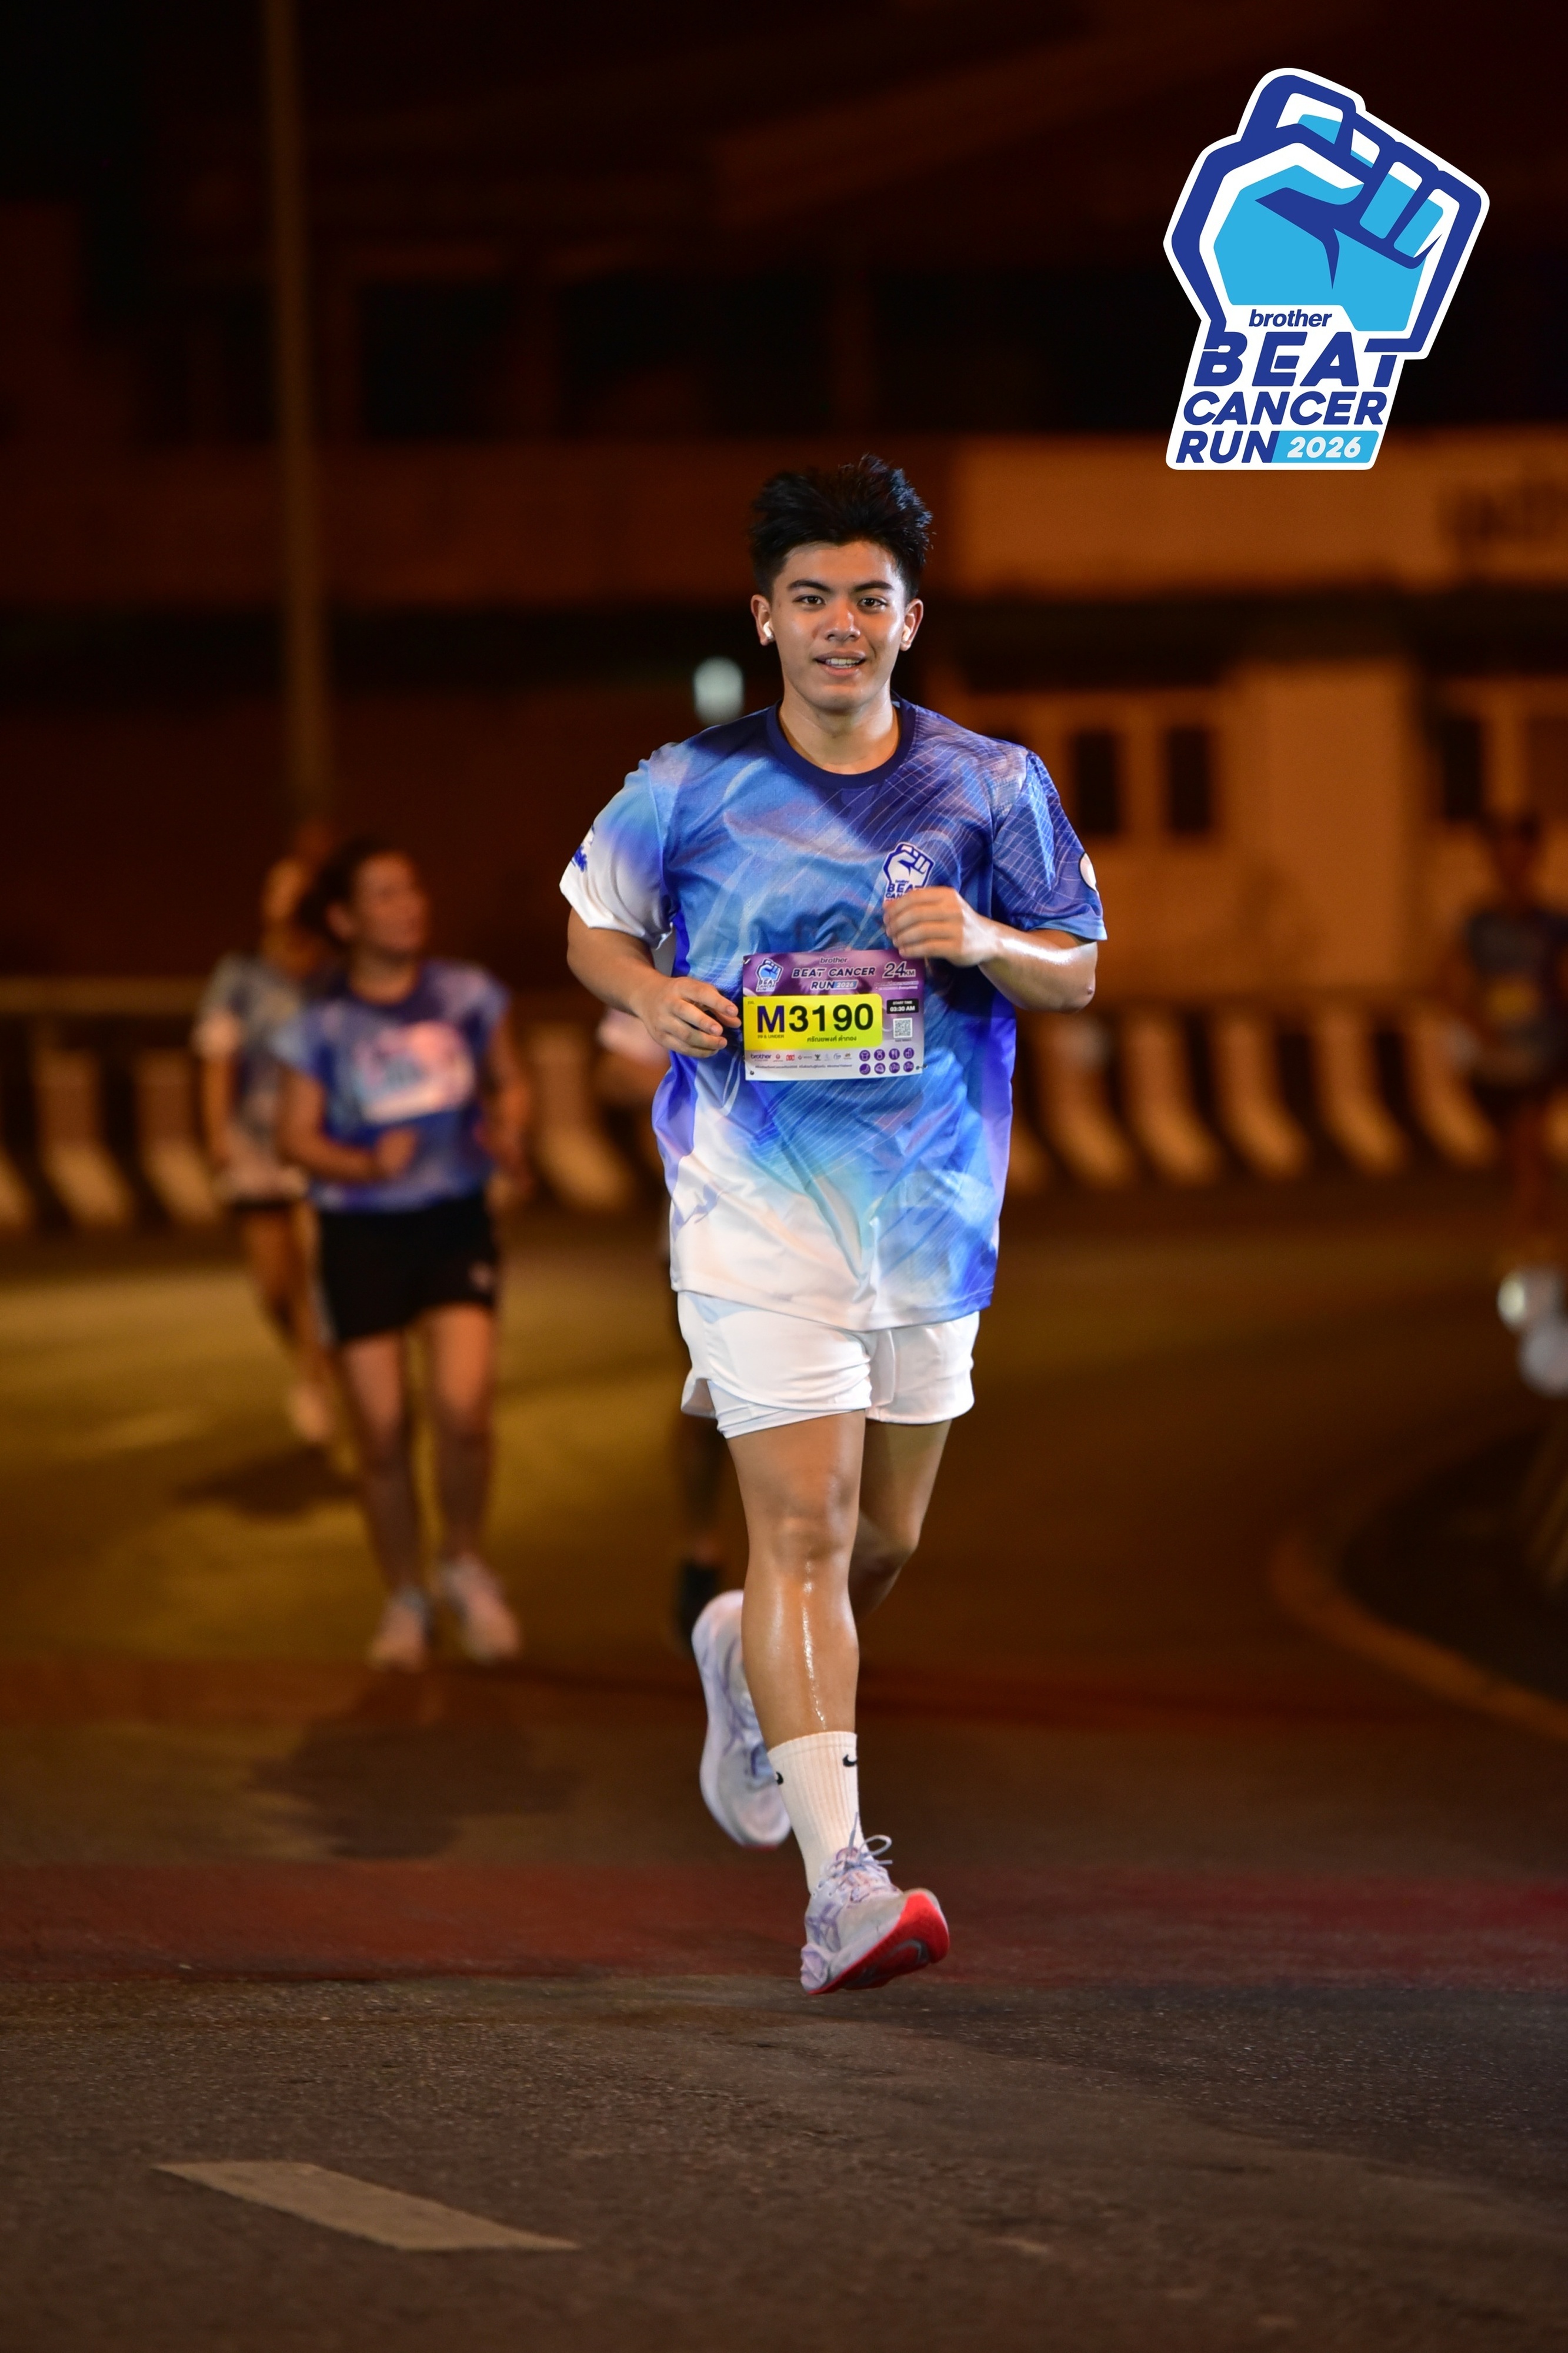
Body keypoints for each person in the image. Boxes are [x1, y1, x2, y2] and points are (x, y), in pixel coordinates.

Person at [562, 457, 1104, 1994]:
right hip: (750, 1201)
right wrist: (648, 990)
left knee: (881, 1539)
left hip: (927, 1214)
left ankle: (741, 1653)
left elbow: (1077, 967)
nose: (840, 623)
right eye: (811, 598)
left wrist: (983, 935)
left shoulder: (991, 786)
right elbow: (589, 924)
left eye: (869, 598)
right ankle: (839, 1890)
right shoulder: (687, 784)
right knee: (802, 1525)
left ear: (909, 618)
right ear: (766, 617)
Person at [275, 836, 528, 1672]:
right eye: (383, 894)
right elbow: (292, 1136)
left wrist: (509, 1130)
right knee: (381, 1434)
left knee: (464, 1410)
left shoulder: (466, 995)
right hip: (360, 1233)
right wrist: (361, 1164)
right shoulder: (320, 1024)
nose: (407, 906)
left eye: (411, 888)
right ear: (344, 919)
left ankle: (463, 1563)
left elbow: (509, 1081)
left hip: (454, 1221)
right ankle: (405, 1598)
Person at [596, 1005, 732, 1649]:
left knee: (840, 1400)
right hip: (707, 1218)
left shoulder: (867, 953)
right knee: (712, 1397)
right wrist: (713, 1108)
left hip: (829, 1214)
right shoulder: (683, 951)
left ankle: (815, 1574)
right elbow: (617, 1069)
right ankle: (700, 1549)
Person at [194, 854, 335, 1446]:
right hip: (255, 1145)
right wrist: (216, 1135)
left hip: (322, 1146)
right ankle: (316, 1359)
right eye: (281, 890)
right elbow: (218, 1059)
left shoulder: (335, 977)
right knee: (274, 1283)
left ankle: (316, 1382)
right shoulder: (240, 976)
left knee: (315, 1268)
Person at [1446, 809, 1568, 1252]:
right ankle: (1544, 1225)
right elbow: (1443, 981)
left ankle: (1523, 1239)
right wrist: (1475, 1023)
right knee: (1518, 1152)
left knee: (1529, 1138)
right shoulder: (1478, 924)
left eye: (1520, 855)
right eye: (1502, 856)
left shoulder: (1552, 923)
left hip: (1544, 1049)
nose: (1511, 865)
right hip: (1496, 1056)